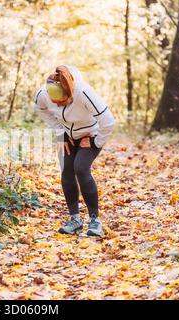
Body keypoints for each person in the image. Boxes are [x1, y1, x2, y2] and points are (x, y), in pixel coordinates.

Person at [34, 65, 116, 236]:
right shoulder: (43, 94)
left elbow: (108, 121)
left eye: (61, 101)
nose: (56, 104)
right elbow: (42, 111)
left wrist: (95, 142)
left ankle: (95, 222)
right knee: (66, 171)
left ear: (69, 92)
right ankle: (75, 220)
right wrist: (60, 133)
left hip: (90, 134)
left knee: (81, 168)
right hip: (67, 136)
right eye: (53, 100)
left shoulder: (83, 92)